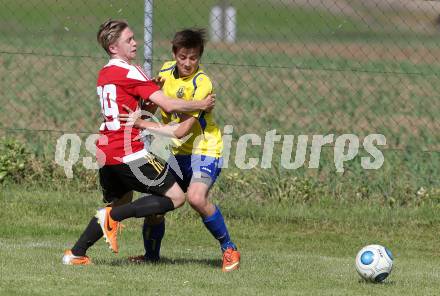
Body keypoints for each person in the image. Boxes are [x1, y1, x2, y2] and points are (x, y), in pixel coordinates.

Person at [62, 19, 215, 265]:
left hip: (106, 151)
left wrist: (147, 97)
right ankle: (111, 218)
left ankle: (76, 253)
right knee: (175, 198)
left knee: (122, 201)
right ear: (113, 47)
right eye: (129, 40)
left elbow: (132, 105)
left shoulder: (105, 72)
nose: (135, 43)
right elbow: (169, 104)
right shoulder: (131, 71)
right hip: (130, 152)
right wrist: (201, 104)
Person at [119, 29, 240, 272]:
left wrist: (141, 122)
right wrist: (149, 102)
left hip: (204, 148)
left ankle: (229, 249)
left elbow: (181, 130)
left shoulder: (201, 83)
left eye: (193, 58)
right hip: (173, 152)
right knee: (157, 203)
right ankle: (151, 256)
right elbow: (152, 105)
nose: (187, 63)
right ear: (174, 54)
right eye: (183, 56)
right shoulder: (165, 71)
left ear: (199, 57)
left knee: (196, 197)